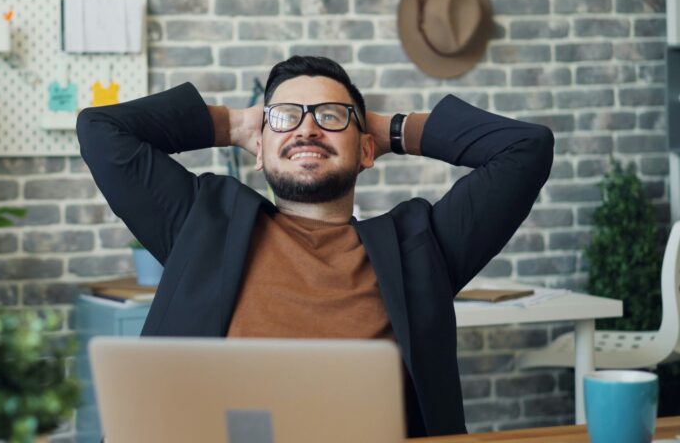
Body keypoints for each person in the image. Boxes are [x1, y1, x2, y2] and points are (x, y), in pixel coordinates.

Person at [76, 55, 554, 438]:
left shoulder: (422, 247)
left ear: (366, 150)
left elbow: (524, 148)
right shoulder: (202, 223)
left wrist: (388, 129)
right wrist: (239, 124)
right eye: (285, 117)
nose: (307, 129)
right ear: (258, 148)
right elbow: (102, 131)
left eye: (330, 116)